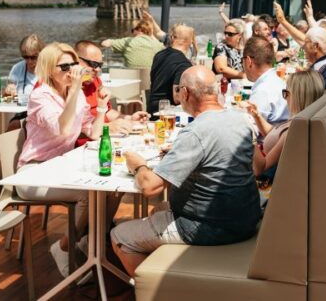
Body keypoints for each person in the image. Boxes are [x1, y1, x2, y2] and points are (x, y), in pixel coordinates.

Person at [111, 66, 261, 273]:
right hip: (245, 218)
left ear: (186, 93)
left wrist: (137, 164)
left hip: (209, 227)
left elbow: (150, 187)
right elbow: (257, 166)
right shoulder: (240, 119)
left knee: (120, 235)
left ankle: (151, 291)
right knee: (159, 210)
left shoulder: (195, 132)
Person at [17, 42, 109, 276]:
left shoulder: (72, 93)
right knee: (89, 193)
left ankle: (90, 242)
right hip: (34, 172)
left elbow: (93, 132)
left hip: (61, 168)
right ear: (49, 69)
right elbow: (63, 128)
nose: (71, 71)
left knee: (110, 189)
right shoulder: (41, 95)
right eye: (64, 66)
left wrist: (101, 107)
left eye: (74, 65)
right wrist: (77, 89)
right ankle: (64, 247)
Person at [248, 70, 324, 177]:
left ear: (298, 97)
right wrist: (257, 116)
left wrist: (250, 137)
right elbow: (275, 134)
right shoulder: (301, 120)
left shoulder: (292, 132)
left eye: (286, 93)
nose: (285, 98)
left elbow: (261, 168)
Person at [75, 40, 141, 134]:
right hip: (85, 143)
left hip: (104, 138)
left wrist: (129, 118)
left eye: (100, 65)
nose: (97, 70)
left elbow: (107, 112)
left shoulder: (95, 81)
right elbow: (69, 130)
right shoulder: (68, 87)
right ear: (77, 60)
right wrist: (107, 128)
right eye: (93, 64)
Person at [148, 24, 195, 114]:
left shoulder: (159, 55)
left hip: (152, 109)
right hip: (168, 113)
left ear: (172, 38)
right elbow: (177, 98)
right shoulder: (183, 63)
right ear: (190, 42)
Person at [243, 36, 290, 124]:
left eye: (243, 59)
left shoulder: (262, 91)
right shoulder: (277, 80)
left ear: (249, 61)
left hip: (270, 136)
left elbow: (250, 129)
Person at [6, 34, 44, 98]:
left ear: (41, 54)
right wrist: (8, 91)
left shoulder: (49, 69)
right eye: (26, 57)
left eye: (33, 57)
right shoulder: (17, 68)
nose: (29, 61)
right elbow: (7, 95)